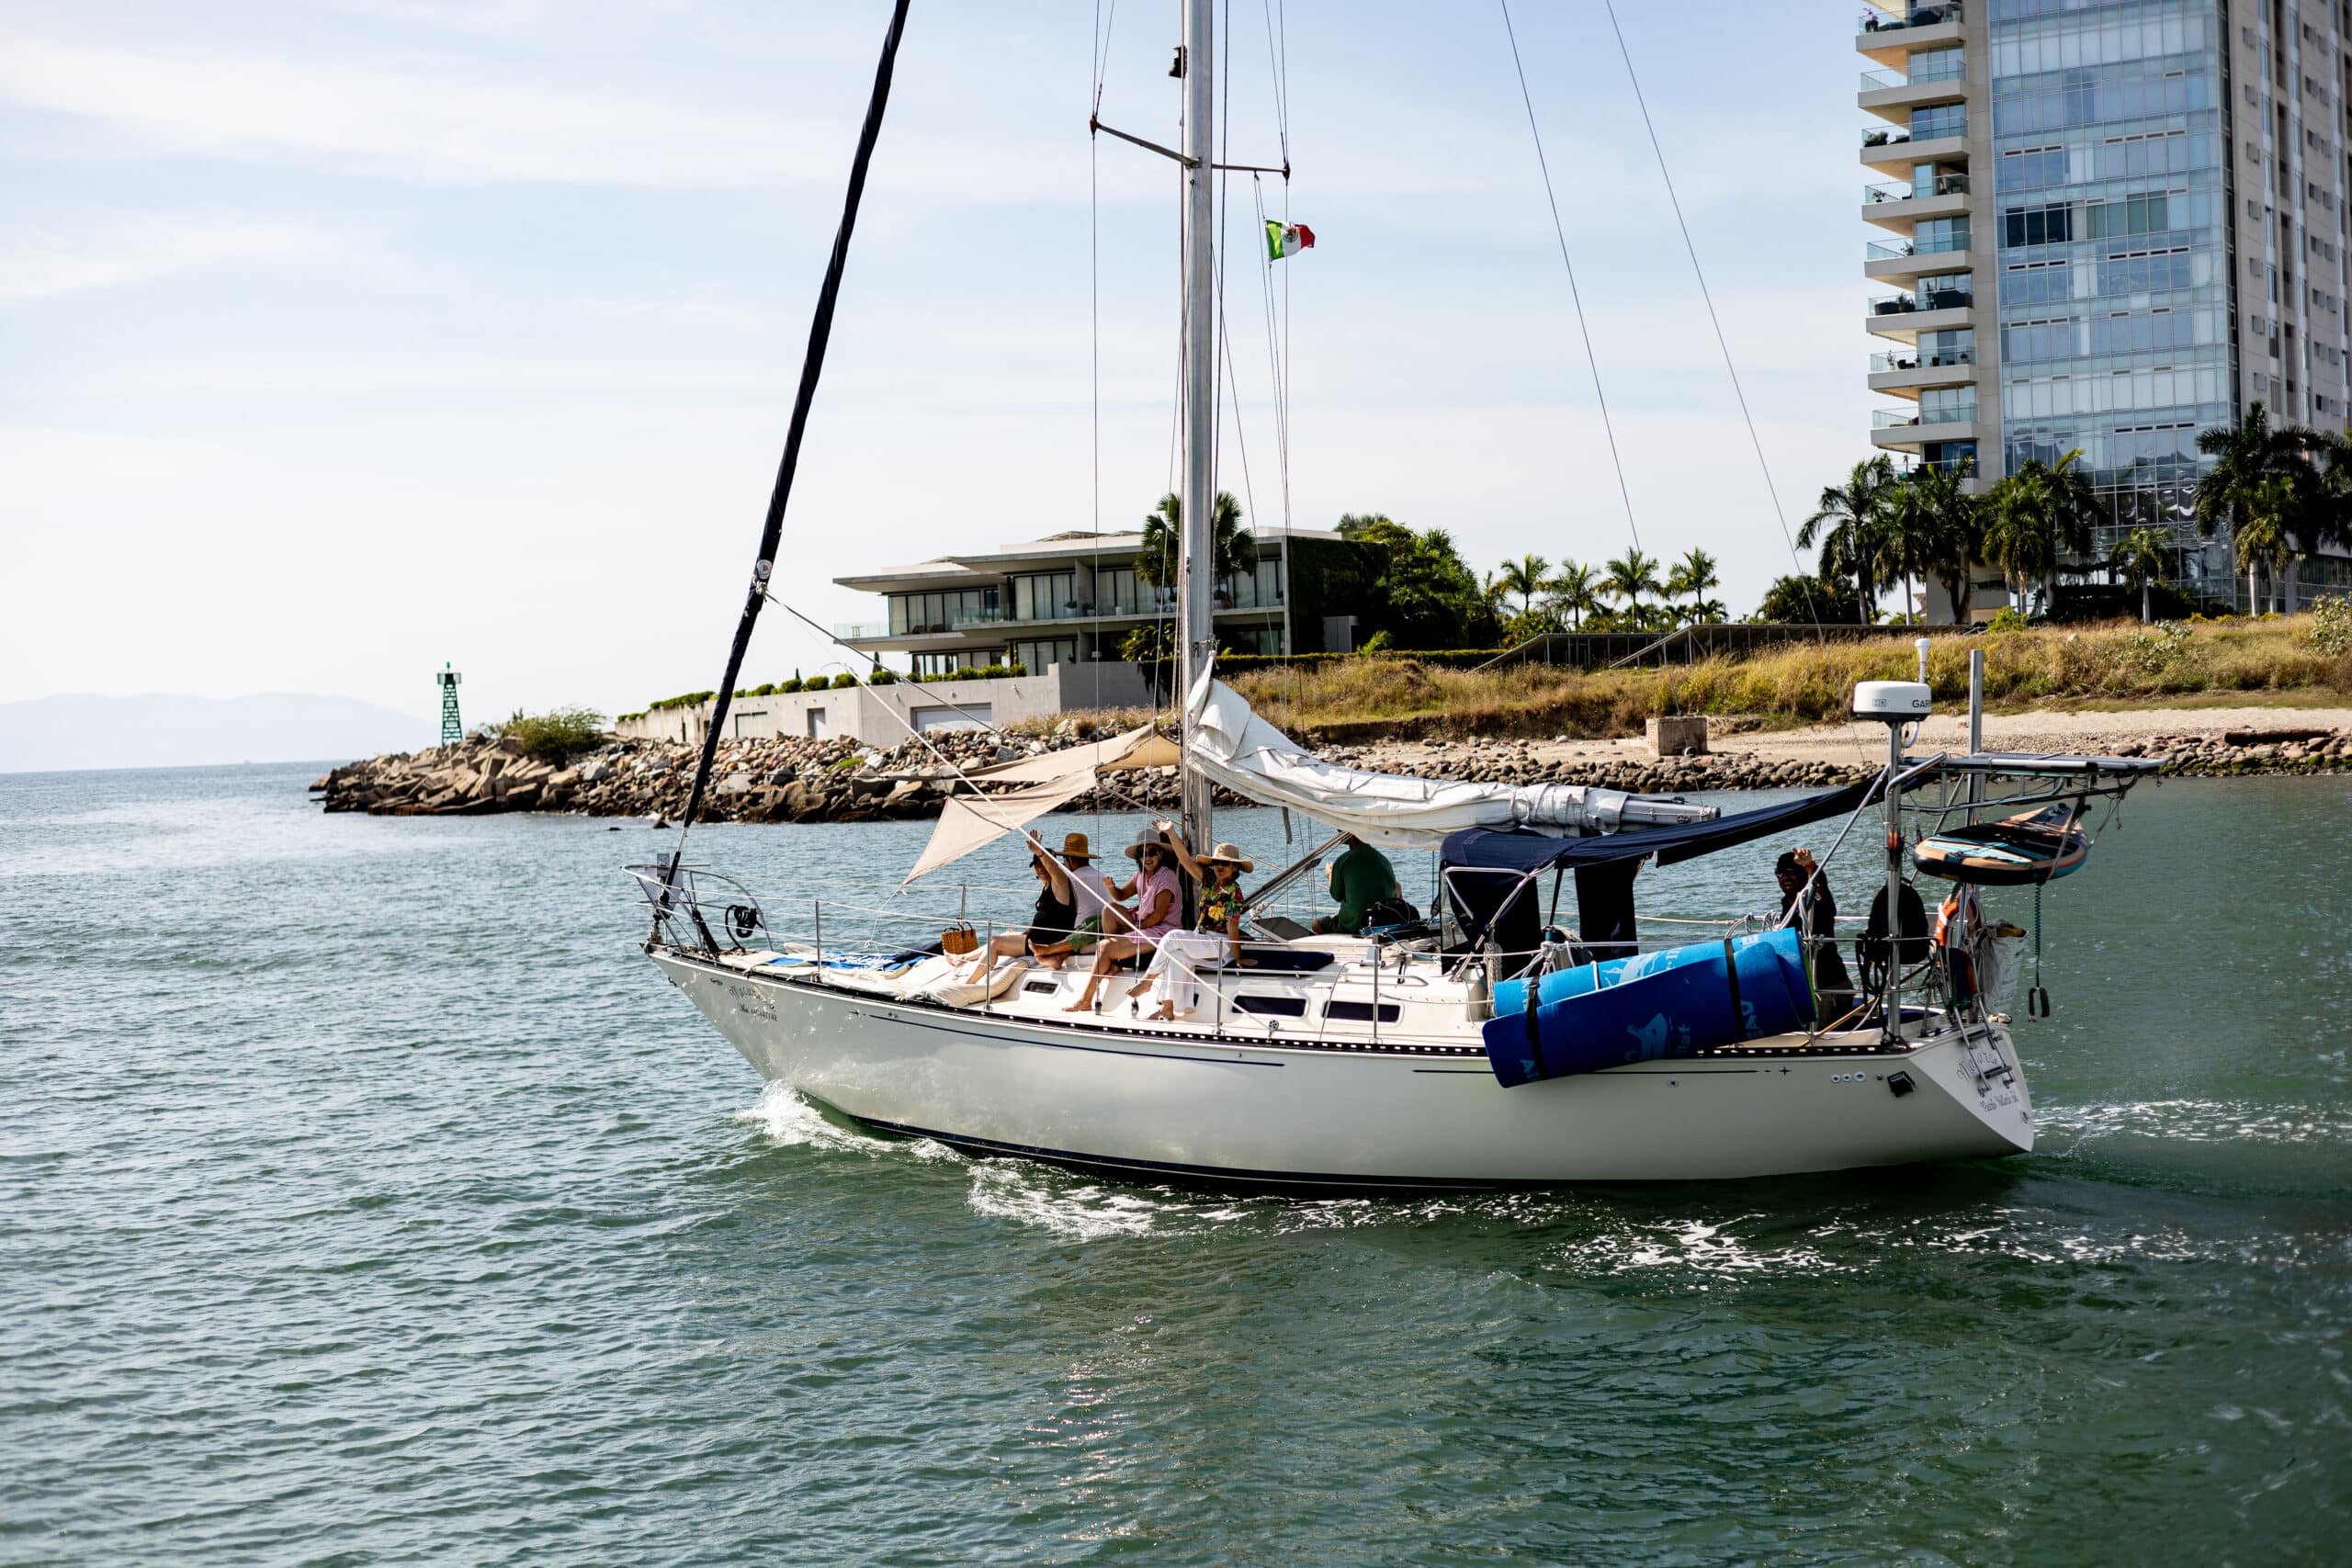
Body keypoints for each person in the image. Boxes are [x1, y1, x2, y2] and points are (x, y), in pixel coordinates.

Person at [1126, 828, 1252, 1021]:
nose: (1220, 866)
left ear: (1234, 868)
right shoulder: (1210, 881)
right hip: (1203, 940)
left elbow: (1232, 927)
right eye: (1217, 862)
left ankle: (1148, 981)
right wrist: (1170, 833)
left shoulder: (1234, 892)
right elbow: (1185, 860)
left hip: (1219, 945)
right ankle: (1167, 1008)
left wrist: (1238, 957)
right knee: (1175, 956)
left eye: (1225, 863)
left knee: (1172, 936)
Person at [1064, 827, 1184, 1012]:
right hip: (1142, 923)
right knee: (1109, 909)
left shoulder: (1166, 877)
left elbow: (1159, 916)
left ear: (1160, 853)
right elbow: (1120, 896)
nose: (1148, 857)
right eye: (1143, 854)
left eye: (1152, 852)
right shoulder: (1141, 876)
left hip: (1161, 930)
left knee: (1104, 946)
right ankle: (1111, 962)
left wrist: (1134, 928)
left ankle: (1086, 999)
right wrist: (1111, 887)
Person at [956, 844, 1077, 984]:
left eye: (1043, 864)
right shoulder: (1047, 886)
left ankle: (969, 983)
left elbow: (1054, 870)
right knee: (1004, 935)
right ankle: (963, 958)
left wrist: (1040, 854)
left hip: (1047, 942)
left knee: (995, 943)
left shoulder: (1060, 884)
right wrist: (1022, 934)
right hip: (1039, 937)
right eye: (1037, 865)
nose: (1041, 867)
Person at [1775, 847, 1856, 1020]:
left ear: (1802, 874)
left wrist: (1811, 866)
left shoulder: (1817, 901)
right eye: (1780, 874)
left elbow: (1821, 888)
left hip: (1831, 984)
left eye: (1790, 872)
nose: (1785, 878)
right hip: (1808, 985)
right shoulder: (1786, 908)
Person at [1312, 832, 1400, 935]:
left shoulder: (1343, 860)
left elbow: (1336, 896)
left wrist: (1329, 875)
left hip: (1353, 925)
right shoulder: (1383, 860)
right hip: (1382, 923)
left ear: (1351, 837)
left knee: (1316, 924)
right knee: (1398, 886)